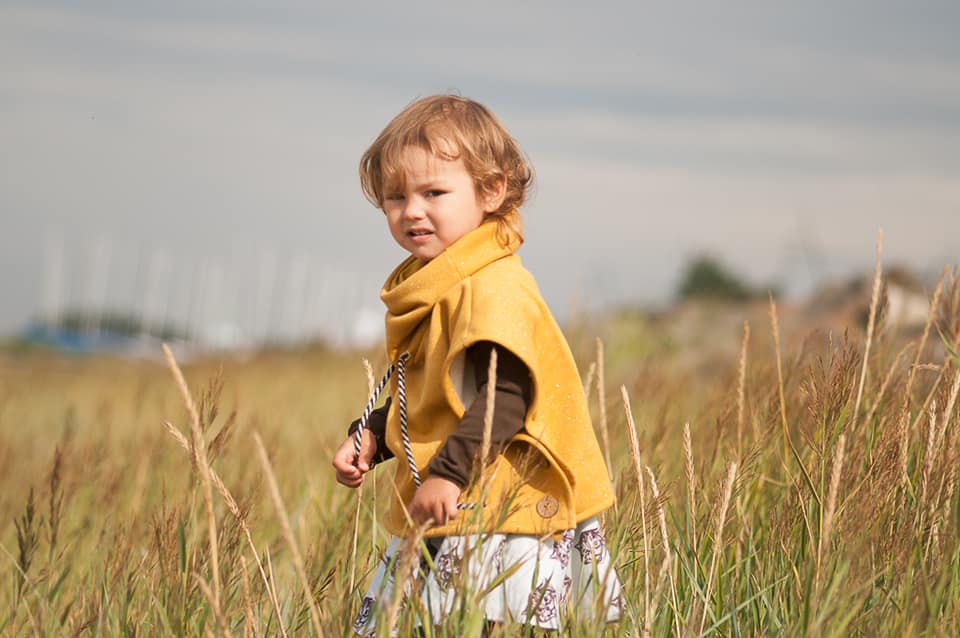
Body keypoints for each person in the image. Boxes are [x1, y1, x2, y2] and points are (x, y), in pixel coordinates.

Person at [331, 95, 620, 634]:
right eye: (396, 197)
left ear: (490, 192)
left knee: (478, 623)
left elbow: (507, 396)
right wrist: (371, 437)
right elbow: (434, 394)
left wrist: (445, 475)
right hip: (459, 502)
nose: (411, 210)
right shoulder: (441, 282)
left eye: (433, 193)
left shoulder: (492, 286)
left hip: (497, 508)